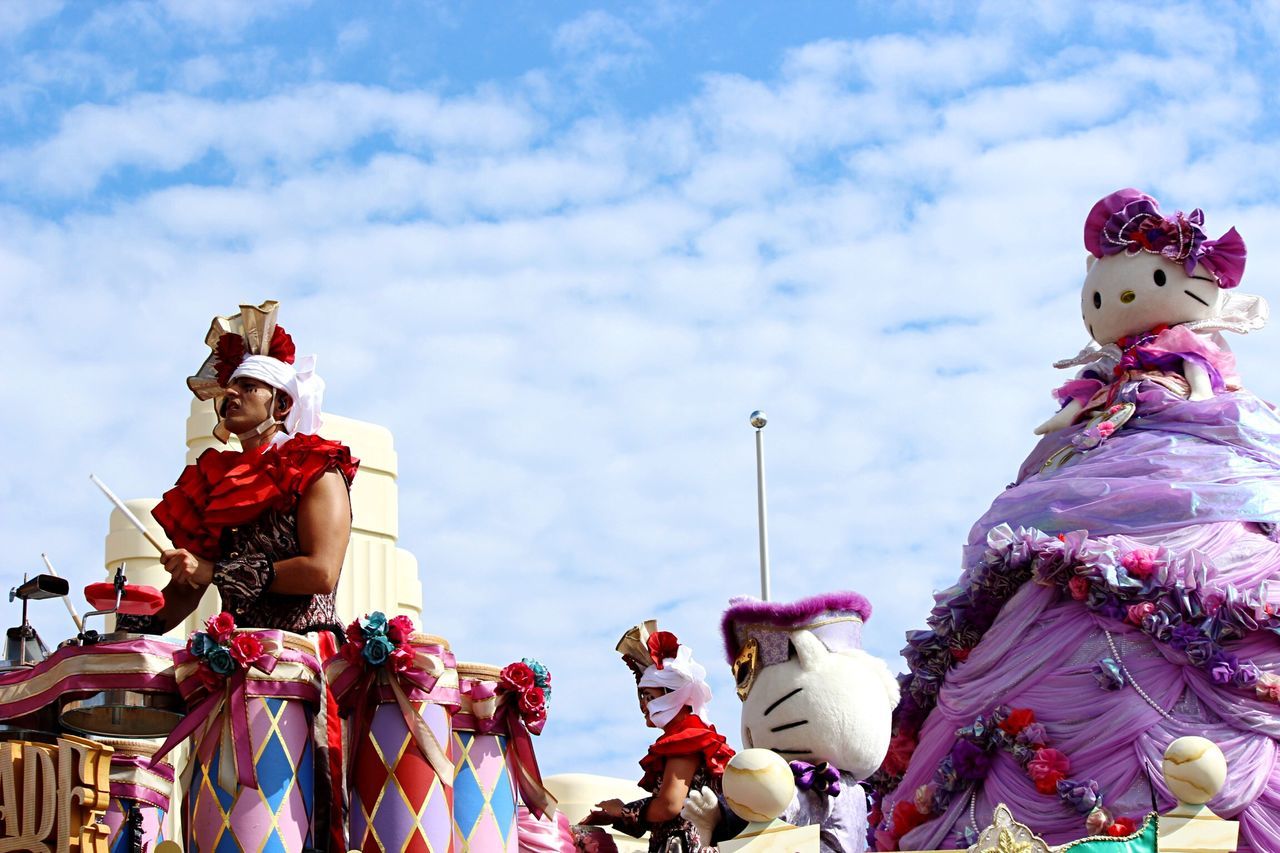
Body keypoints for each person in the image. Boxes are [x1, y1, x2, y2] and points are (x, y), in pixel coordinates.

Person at [116, 302, 357, 637]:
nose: (230, 391)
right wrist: (119, 631)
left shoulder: (316, 468)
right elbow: (186, 589)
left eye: (248, 387)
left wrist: (215, 572)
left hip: (303, 661)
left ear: (282, 403)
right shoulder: (216, 483)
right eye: (232, 385)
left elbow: (321, 572)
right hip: (232, 661)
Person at [580, 624, 734, 852]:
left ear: (672, 694)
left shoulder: (687, 738)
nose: (643, 705)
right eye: (641, 697)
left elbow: (670, 805)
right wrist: (616, 817)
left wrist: (621, 810)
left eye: (648, 696)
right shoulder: (687, 736)